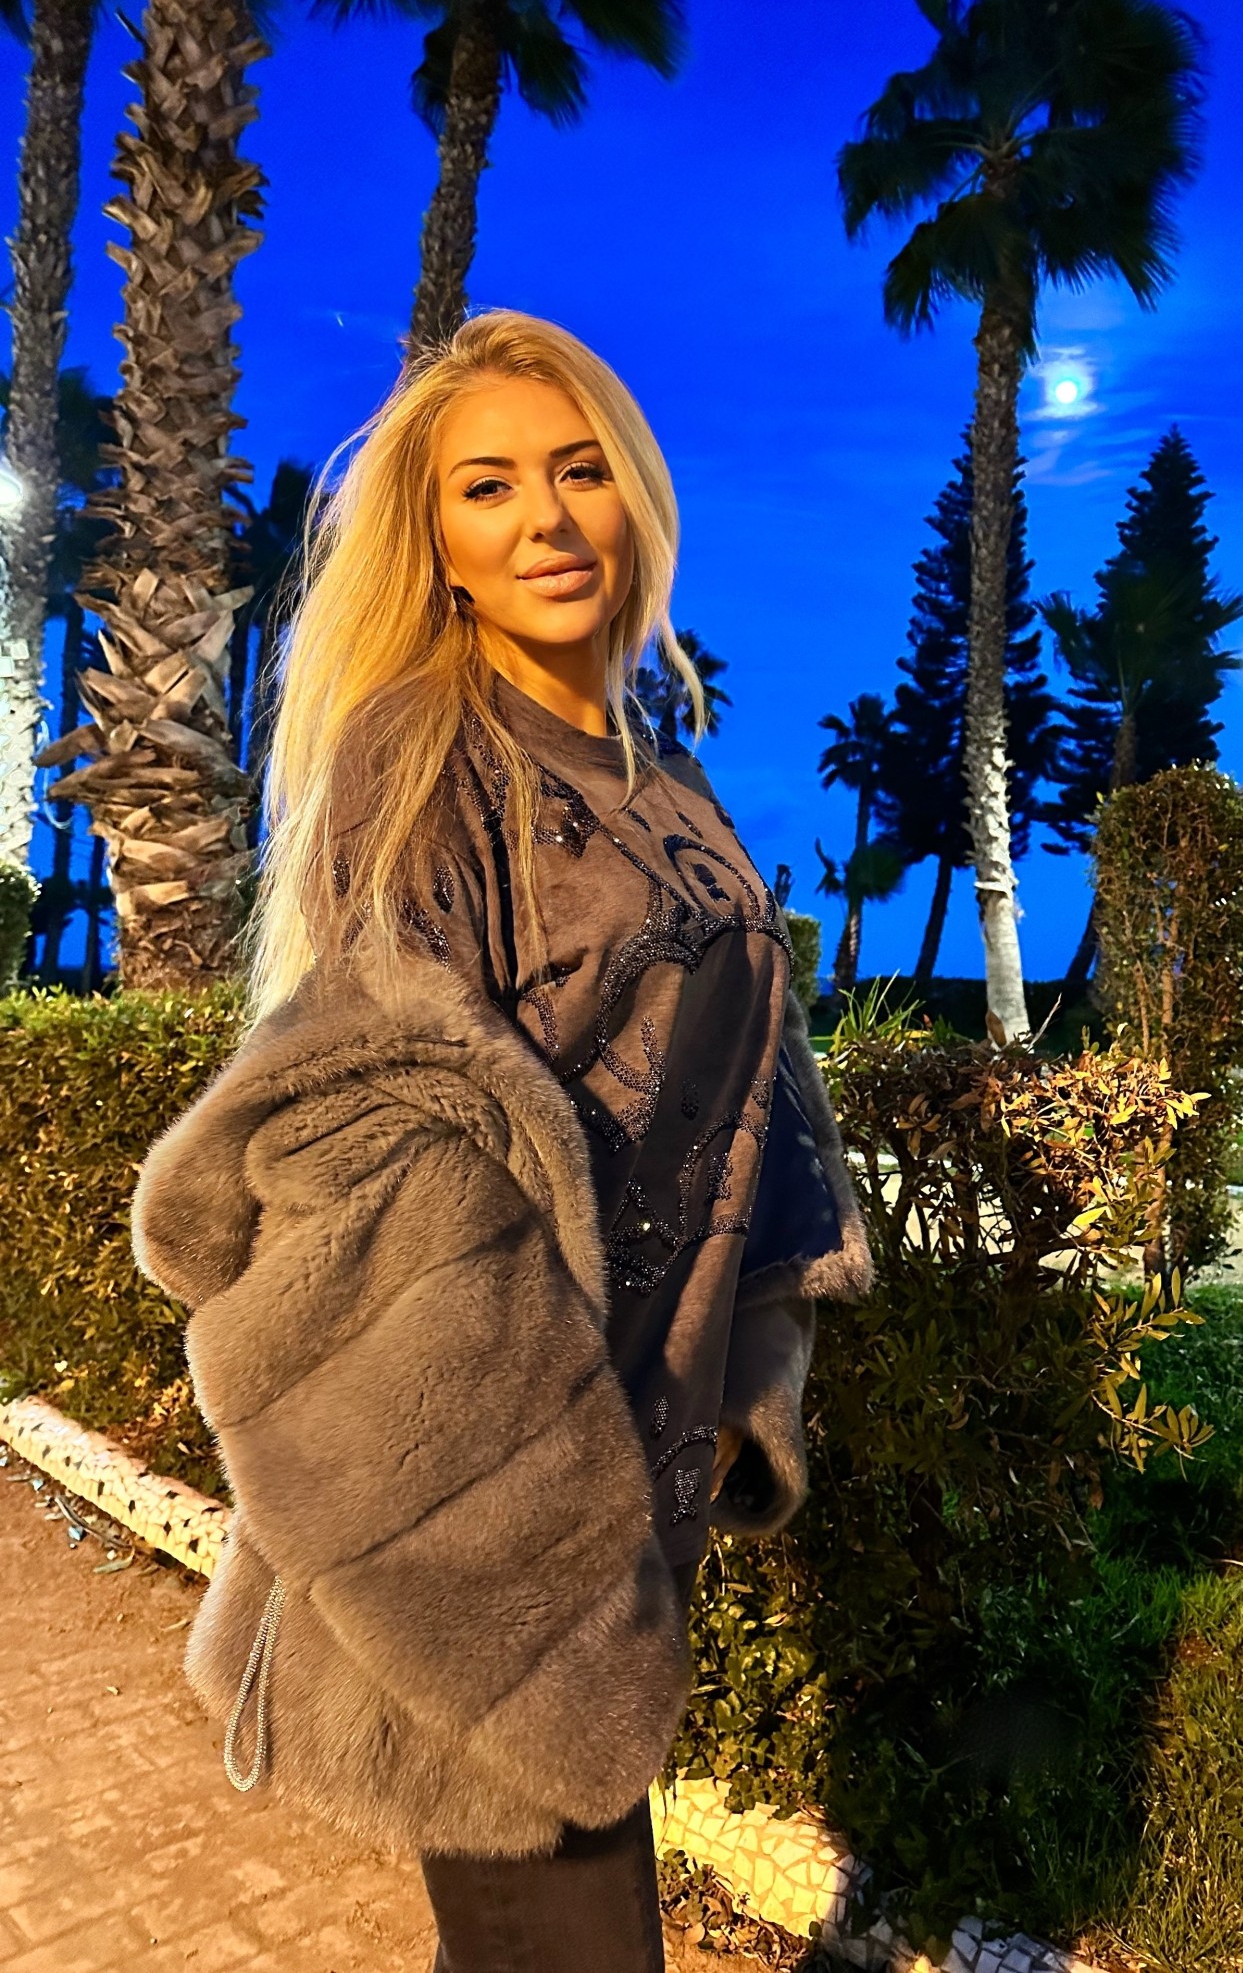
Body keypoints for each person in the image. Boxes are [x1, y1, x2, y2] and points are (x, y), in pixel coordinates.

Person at [130, 308, 875, 1973]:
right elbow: (374, 1145)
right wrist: (524, 1534)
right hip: (489, 1527)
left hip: (638, 1471)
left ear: (636, 499)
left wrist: (738, 1388)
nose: (544, 518)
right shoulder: (424, 756)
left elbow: (756, 1109)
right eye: (487, 487)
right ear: (439, 545)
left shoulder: (669, 788)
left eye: (578, 469)